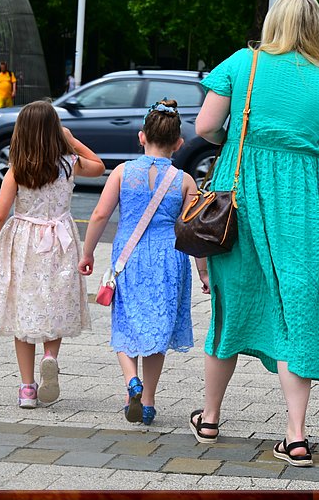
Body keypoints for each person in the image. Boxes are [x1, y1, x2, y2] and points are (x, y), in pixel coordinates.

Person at [191, 0, 319, 466]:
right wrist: (303, 158)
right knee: (296, 307)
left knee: (231, 306)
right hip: (303, 200)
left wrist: (238, 142)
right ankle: (295, 435)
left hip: (239, 193)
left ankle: (209, 419)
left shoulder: (243, 63)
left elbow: (205, 125)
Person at [0, 100, 105, 409]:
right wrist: (71, 140)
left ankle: (27, 388)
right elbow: (98, 166)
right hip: (61, 243)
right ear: (56, 131)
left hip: (25, 245)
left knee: (24, 313)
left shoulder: (18, 169)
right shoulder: (69, 163)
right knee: (54, 307)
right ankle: (50, 357)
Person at [78, 100, 209, 425]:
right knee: (157, 329)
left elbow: (100, 215)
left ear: (141, 137)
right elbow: (194, 232)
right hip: (169, 258)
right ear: (178, 144)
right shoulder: (184, 181)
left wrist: (88, 253)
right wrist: (204, 273)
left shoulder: (123, 172)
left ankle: (130, 382)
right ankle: (147, 402)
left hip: (130, 256)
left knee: (126, 320)